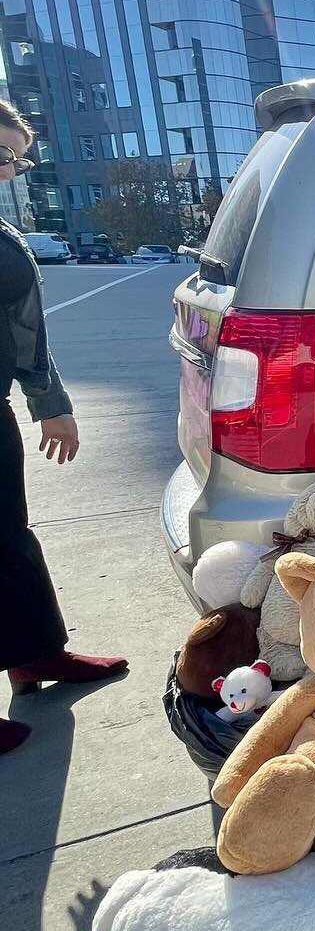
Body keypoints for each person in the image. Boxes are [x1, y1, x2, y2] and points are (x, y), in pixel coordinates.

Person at [1, 99, 127, 751]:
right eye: (1, 156)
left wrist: (50, 403)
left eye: (14, 160)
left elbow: (25, 334)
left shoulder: (5, 239)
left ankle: (35, 654)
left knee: (9, 538)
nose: (8, 172)